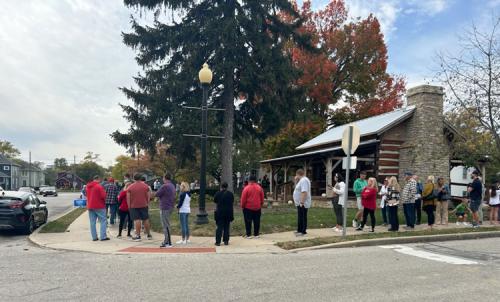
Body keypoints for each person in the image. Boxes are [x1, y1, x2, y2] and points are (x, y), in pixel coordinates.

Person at [127, 173, 152, 241]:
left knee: (137, 220)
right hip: (144, 205)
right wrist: (147, 203)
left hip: (134, 206)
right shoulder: (146, 186)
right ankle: (149, 234)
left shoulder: (130, 187)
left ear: (134, 178)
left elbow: (128, 198)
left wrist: (129, 207)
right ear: (141, 178)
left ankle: (138, 236)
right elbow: (148, 196)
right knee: (146, 219)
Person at [86, 176, 109, 241]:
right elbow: (104, 196)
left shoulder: (88, 187)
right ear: (98, 179)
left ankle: (94, 237)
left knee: (92, 222)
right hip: (99, 206)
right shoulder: (99, 186)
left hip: (90, 205)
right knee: (103, 221)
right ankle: (103, 236)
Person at [155, 173, 176, 248]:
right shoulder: (172, 185)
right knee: (167, 224)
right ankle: (167, 241)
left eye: (163, 178)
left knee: (165, 225)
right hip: (170, 206)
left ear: (164, 178)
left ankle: (168, 242)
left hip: (165, 207)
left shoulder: (165, 186)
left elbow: (157, 194)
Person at [293, 169, 312, 236]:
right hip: (300, 202)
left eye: (296, 175)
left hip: (303, 202)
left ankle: (303, 231)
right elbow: (297, 189)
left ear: (298, 174)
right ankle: (299, 230)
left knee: (303, 216)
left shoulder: (304, 180)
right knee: (300, 216)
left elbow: (304, 192)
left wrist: (302, 202)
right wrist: (296, 181)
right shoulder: (301, 180)